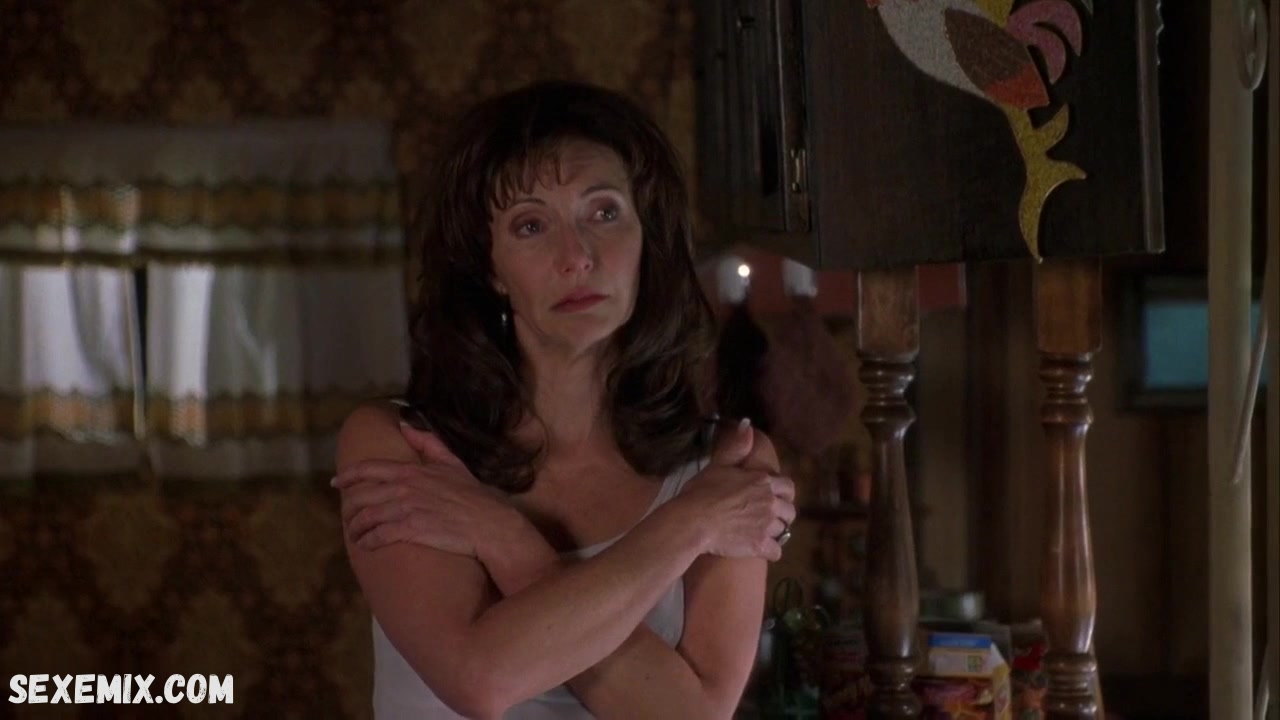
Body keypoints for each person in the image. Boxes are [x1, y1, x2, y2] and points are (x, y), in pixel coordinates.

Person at [332, 80, 797, 719]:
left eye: (604, 213)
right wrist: (690, 526)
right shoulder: (400, 446)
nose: (576, 256)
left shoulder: (726, 465)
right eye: (531, 225)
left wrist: (501, 539)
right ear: (491, 268)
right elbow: (482, 679)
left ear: (645, 237)